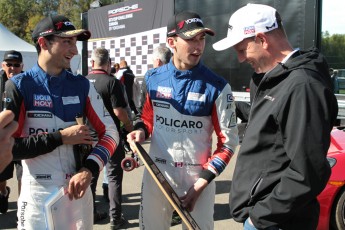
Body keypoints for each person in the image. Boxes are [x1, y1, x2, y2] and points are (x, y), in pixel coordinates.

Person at [213, 4, 338, 230]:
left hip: (278, 221)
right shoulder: (273, 78)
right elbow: (274, 126)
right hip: (268, 217)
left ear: (262, 40)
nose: (241, 59)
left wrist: (259, 218)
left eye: (242, 50)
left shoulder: (302, 86)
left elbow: (308, 170)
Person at [5, 15, 119, 229]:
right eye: (67, 42)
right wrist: (60, 138)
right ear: (43, 43)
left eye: (75, 43)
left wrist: (89, 169)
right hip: (37, 194)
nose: (74, 50)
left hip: (78, 192)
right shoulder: (20, 85)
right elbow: (10, 149)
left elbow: (111, 134)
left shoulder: (82, 85)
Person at [127, 11, 238, 229]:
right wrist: (140, 131)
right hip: (157, 176)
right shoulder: (153, 78)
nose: (198, 47)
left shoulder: (217, 86)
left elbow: (229, 143)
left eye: (202, 39)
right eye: (190, 39)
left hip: (198, 181)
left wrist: (202, 182)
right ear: (172, 42)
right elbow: (148, 118)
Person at [87, 47, 133, 229]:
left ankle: (90, 213)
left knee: (91, 175)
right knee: (114, 176)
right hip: (110, 137)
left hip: (89, 137)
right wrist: (129, 127)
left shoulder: (82, 81)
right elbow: (119, 111)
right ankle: (115, 218)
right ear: (108, 63)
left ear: (92, 63)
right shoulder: (111, 82)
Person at [0, 50, 24, 214]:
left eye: (16, 65)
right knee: (1, 176)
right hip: (3, 138)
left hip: (23, 137)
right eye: (9, 65)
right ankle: (3, 192)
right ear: (3, 65)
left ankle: (22, 211)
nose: (12, 68)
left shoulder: (27, 82)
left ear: (22, 67)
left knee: (23, 177)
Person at [137, 45, 172, 116]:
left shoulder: (150, 77)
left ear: (158, 61)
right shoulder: (178, 75)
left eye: (153, 61)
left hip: (154, 120)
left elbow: (144, 104)